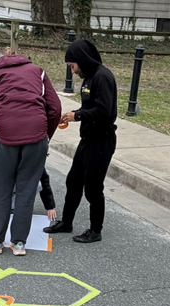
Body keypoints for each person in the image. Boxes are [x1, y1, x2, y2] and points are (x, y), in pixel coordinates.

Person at [0, 51, 61, 256]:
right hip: (36, 135)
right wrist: (45, 137)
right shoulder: (39, 72)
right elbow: (55, 108)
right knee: (26, 189)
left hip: (6, 135)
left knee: (0, 187)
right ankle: (19, 243)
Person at [44, 39, 117, 244]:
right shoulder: (89, 77)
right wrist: (75, 114)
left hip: (101, 141)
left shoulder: (103, 77)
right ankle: (66, 223)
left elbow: (104, 111)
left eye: (72, 66)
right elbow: (89, 107)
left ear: (82, 60)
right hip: (88, 139)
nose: (73, 71)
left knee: (93, 188)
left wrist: (77, 116)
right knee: (73, 181)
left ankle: (95, 231)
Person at [0, 140, 56, 221]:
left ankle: (16, 206)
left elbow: (43, 179)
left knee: (37, 182)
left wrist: (50, 207)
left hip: (19, 186)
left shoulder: (29, 153)